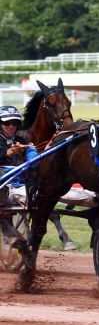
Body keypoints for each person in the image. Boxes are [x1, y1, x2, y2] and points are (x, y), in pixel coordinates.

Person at [0, 105, 38, 251]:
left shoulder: (22, 138)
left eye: (15, 123)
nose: (11, 126)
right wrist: (7, 153)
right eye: (7, 123)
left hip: (18, 183)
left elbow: (33, 161)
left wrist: (31, 151)